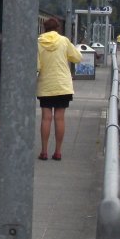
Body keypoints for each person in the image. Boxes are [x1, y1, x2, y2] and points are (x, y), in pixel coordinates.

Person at [36, 17, 81, 161]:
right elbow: (77, 58)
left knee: (46, 118)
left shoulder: (38, 42)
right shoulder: (64, 41)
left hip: (46, 85)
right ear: (57, 28)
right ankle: (58, 152)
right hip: (63, 85)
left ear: (44, 28)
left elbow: (36, 66)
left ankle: (44, 152)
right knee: (60, 118)